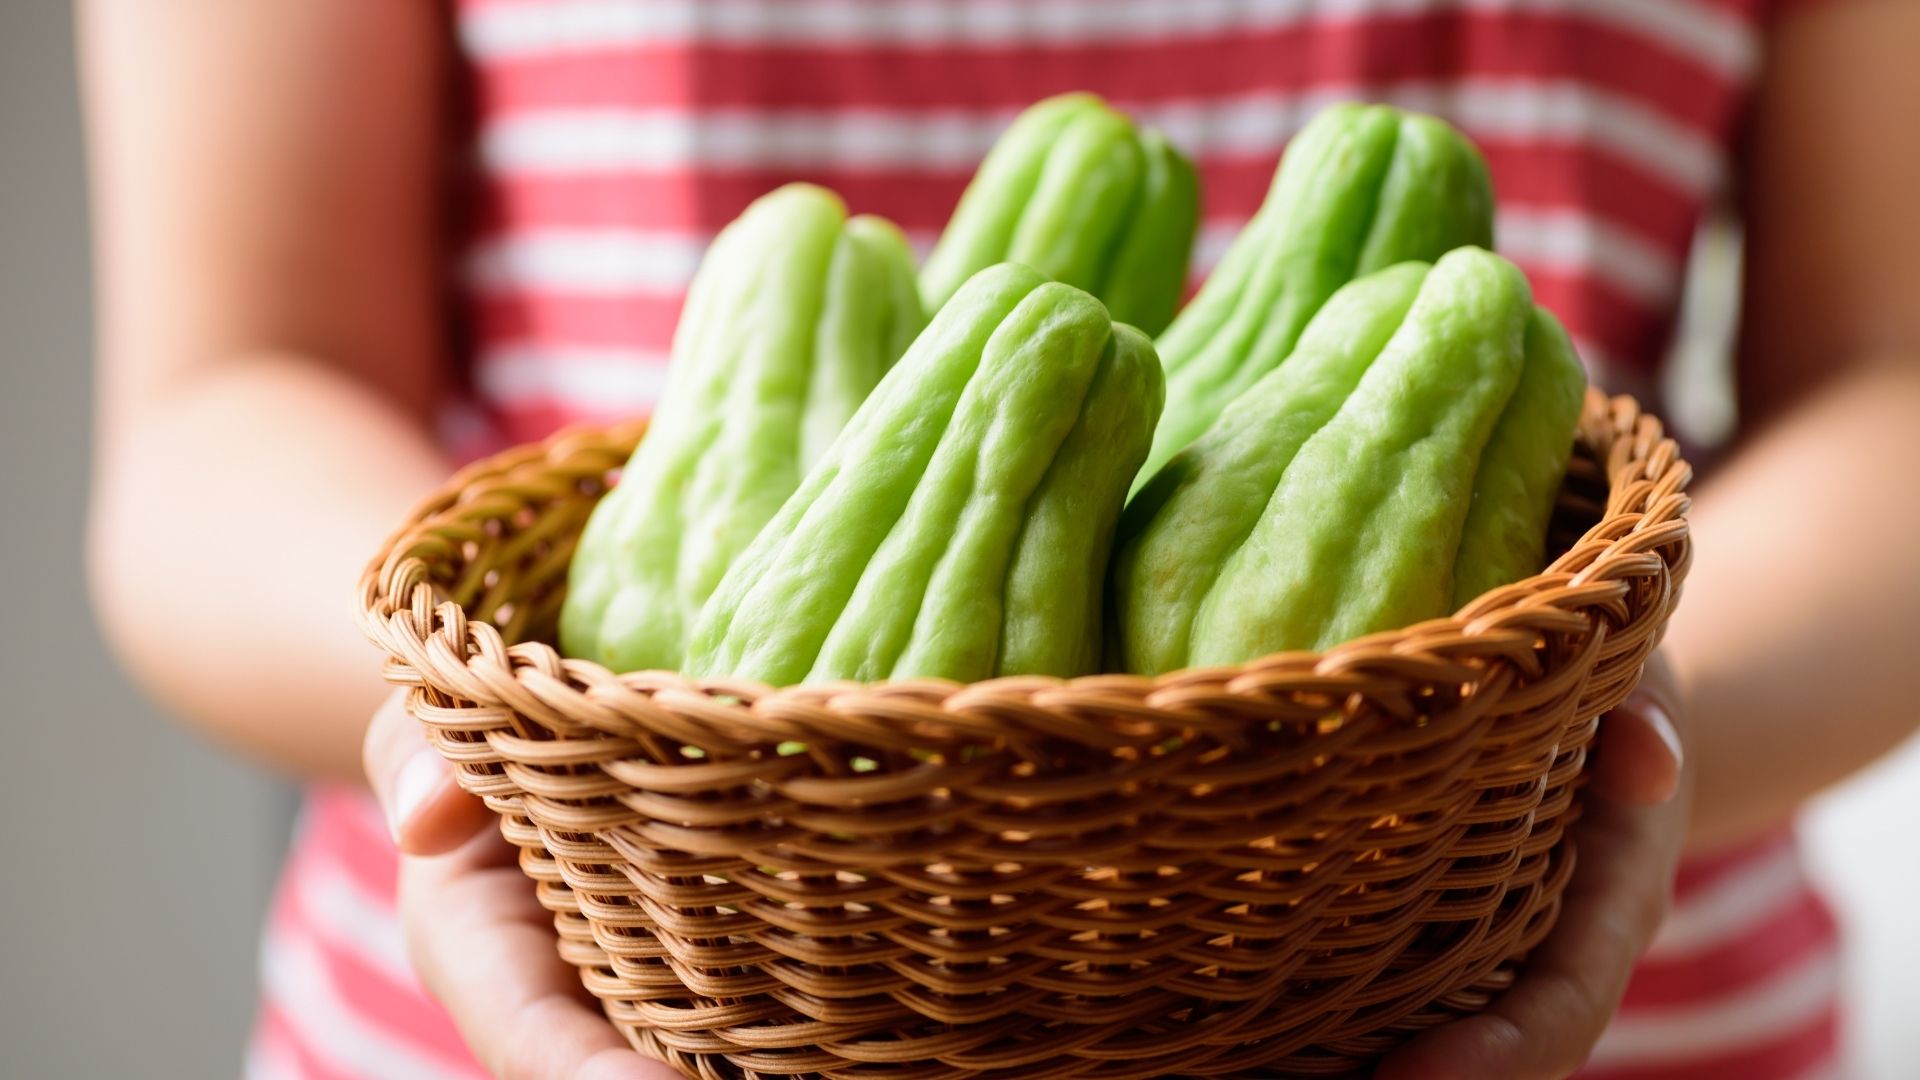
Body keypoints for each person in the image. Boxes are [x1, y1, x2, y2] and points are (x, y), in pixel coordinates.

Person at [79, 2, 1918, 1078]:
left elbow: (1895, 388)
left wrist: (1564, 762)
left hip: (1552, 955)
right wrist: (522, 771)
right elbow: (229, 395)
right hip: (615, 959)